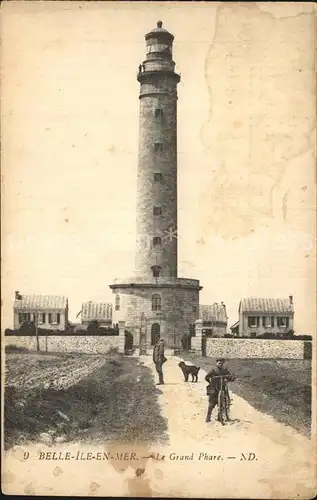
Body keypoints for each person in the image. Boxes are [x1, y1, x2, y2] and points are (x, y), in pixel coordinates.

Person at [205, 358, 236, 423]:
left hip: (222, 388)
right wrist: (211, 380)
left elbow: (229, 377)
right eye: (219, 363)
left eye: (222, 364)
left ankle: (220, 417)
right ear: (216, 363)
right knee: (211, 403)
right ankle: (208, 417)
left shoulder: (224, 370)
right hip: (214, 387)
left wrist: (232, 378)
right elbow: (207, 377)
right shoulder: (213, 370)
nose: (220, 365)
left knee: (222, 402)